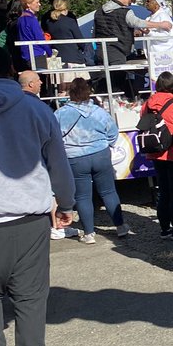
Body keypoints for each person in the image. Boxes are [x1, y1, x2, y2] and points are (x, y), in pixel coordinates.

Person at [0, 45, 75, 346]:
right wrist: (65, 204)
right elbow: (58, 165)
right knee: (31, 301)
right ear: (10, 70)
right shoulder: (37, 110)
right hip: (30, 220)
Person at [58, 78, 132, 244]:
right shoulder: (99, 112)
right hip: (100, 154)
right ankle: (120, 226)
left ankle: (89, 234)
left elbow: (55, 137)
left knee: (83, 196)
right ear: (88, 92)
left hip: (75, 158)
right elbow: (113, 133)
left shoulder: (61, 114)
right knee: (109, 192)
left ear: (71, 93)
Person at [93, 0, 170, 100]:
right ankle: (118, 105)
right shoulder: (125, 12)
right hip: (117, 51)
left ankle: (105, 103)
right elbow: (137, 22)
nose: (131, 0)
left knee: (104, 82)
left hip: (100, 51)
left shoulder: (98, 12)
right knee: (117, 82)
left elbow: (101, 31)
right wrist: (160, 24)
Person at [140, 71, 173, 240]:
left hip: (155, 152)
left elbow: (143, 123)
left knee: (163, 190)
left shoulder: (147, 104)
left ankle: (164, 228)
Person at [6, 0, 48, 73]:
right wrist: (49, 52)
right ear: (28, 4)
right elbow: (39, 38)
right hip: (35, 55)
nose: (39, 4)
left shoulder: (19, 20)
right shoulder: (30, 19)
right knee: (39, 80)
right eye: (37, 2)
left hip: (24, 55)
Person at [41, 0, 89, 66]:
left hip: (58, 59)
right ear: (65, 8)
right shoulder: (70, 21)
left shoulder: (49, 23)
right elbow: (81, 41)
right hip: (74, 59)